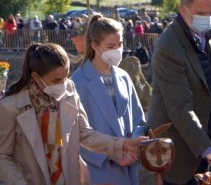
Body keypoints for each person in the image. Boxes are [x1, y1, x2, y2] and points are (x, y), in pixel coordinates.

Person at [0, 43, 145, 185]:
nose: (63, 84)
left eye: (66, 76)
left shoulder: (69, 89)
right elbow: (3, 157)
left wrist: (123, 144)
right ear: (37, 77)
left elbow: (85, 134)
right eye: (56, 80)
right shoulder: (11, 107)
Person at [148, 0, 211, 185]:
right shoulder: (169, 46)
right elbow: (180, 108)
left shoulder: (205, 36)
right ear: (182, 9)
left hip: (208, 146)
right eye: (201, 14)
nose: (207, 19)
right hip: (182, 156)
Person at [71, 15, 146, 185]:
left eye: (120, 45)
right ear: (94, 45)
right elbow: (76, 134)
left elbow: (138, 120)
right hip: (99, 168)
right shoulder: (79, 81)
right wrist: (115, 154)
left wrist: (135, 144)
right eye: (111, 46)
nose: (117, 50)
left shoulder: (124, 77)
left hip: (130, 164)